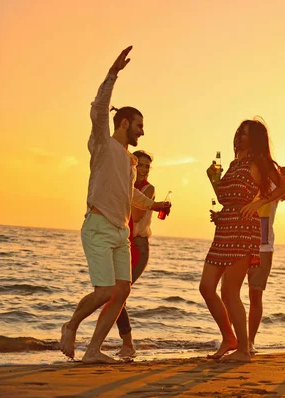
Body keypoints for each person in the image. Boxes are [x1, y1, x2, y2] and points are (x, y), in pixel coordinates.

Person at [58, 46, 170, 364]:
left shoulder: (130, 160)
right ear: (123, 123)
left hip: (122, 232)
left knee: (122, 292)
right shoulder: (103, 145)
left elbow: (130, 194)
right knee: (106, 291)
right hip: (98, 225)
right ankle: (71, 325)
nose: (142, 131)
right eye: (138, 125)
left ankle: (94, 350)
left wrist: (155, 203)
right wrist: (112, 74)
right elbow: (98, 109)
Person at [201, 119, 285, 362]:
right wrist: (214, 180)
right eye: (239, 131)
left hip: (244, 230)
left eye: (246, 133)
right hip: (225, 228)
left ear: (256, 138)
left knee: (230, 291)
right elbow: (224, 198)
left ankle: (243, 350)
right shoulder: (233, 163)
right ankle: (230, 338)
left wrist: (259, 202)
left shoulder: (260, 162)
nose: (240, 136)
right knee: (206, 287)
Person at [248, 166, 285, 354]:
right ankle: (234, 338)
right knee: (229, 292)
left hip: (263, 248)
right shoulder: (245, 180)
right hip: (240, 243)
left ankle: (250, 342)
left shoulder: (274, 185)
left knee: (255, 295)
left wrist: (284, 177)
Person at [115, 150, 156, 357]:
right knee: (112, 292)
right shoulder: (124, 184)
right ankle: (127, 343)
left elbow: (138, 214)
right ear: (132, 166)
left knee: (118, 293)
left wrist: (124, 191)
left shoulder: (148, 190)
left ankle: (128, 344)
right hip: (121, 242)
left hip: (138, 246)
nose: (144, 169)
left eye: (147, 166)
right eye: (140, 165)